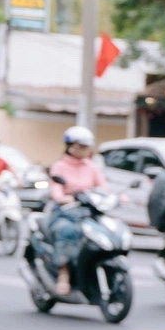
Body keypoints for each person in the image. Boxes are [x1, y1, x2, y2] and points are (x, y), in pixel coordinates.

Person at [46, 127, 107, 296]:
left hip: (89, 211)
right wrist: (65, 198)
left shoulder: (92, 167)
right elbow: (56, 190)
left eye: (86, 146)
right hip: (66, 211)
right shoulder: (60, 166)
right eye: (80, 146)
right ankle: (63, 274)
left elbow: (103, 187)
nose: (84, 150)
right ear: (70, 146)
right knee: (68, 231)